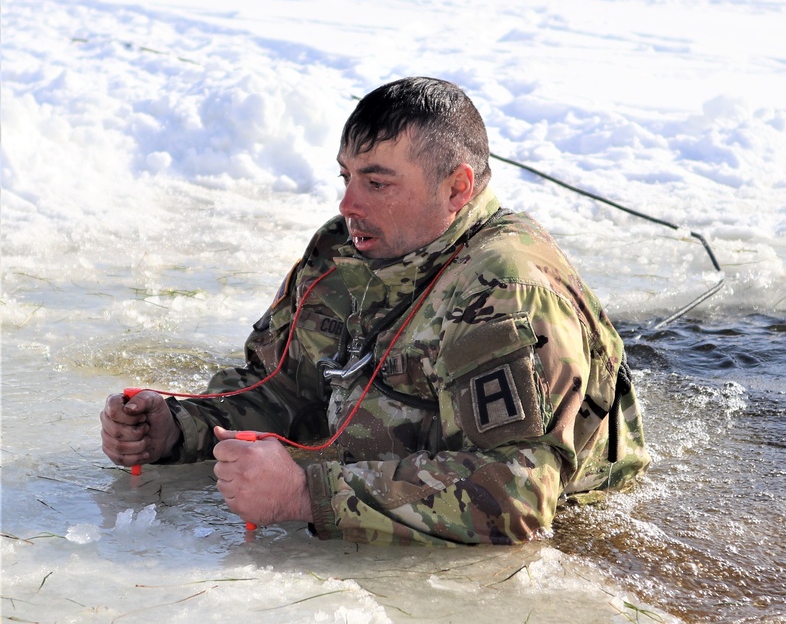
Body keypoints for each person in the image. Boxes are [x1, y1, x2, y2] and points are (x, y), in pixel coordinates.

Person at [100, 77, 648, 545]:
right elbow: (285, 388)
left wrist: (306, 495)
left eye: (377, 183)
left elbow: (516, 495)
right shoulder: (346, 252)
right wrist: (178, 426)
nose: (347, 205)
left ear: (456, 187)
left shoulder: (503, 291)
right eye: (346, 177)